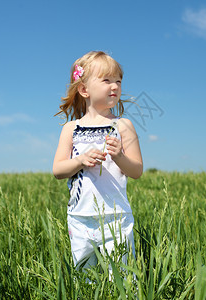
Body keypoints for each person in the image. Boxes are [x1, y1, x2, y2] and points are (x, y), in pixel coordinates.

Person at [53, 51, 143, 273]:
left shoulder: (124, 126)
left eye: (118, 81)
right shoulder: (71, 129)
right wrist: (81, 160)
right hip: (80, 216)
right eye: (106, 80)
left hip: (116, 215)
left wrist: (120, 156)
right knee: (85, 277)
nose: (115, 86)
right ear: (84, 90)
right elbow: (58, 170)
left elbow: (137, 170)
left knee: (122, 276)